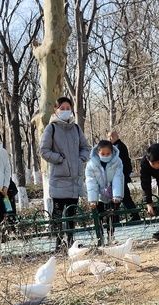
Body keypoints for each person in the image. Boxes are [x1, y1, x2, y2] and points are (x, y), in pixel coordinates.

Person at [39, 96, 89, 250]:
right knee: (58, 214)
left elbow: (86, 147)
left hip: (75, 179)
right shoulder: (51, 128)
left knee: (72, 213)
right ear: (56, 110)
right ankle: (58, 243)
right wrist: (59, 159)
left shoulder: (75, 128)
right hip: (59, 178)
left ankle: (71, 241)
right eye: (63, 108)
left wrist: (81, 159)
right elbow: (43, 150)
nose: (66, 111)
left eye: (68, 108)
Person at [86, 140, 124, 244]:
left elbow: (118, 178)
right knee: (99, 216)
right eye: (103, 154)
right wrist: (92, 199)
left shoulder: (117, 162)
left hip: (112, 192)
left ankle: (111, 236)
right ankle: (100, 238)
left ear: (112, 152)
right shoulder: (91, 165)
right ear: (98, 152)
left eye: (108, 154)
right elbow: (91, 182)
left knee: (111, 216)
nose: (105, 156)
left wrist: (117, 195)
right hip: (98, 194)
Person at [108, 131, 141, 221]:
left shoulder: (117, 148)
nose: (108, 139)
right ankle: (118, 217)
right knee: (122, 197)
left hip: (119, 177)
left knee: (123, 197)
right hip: (120, 177)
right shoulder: (119, 146)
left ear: (113, 137)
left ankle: (120, 217)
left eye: (109, 137)